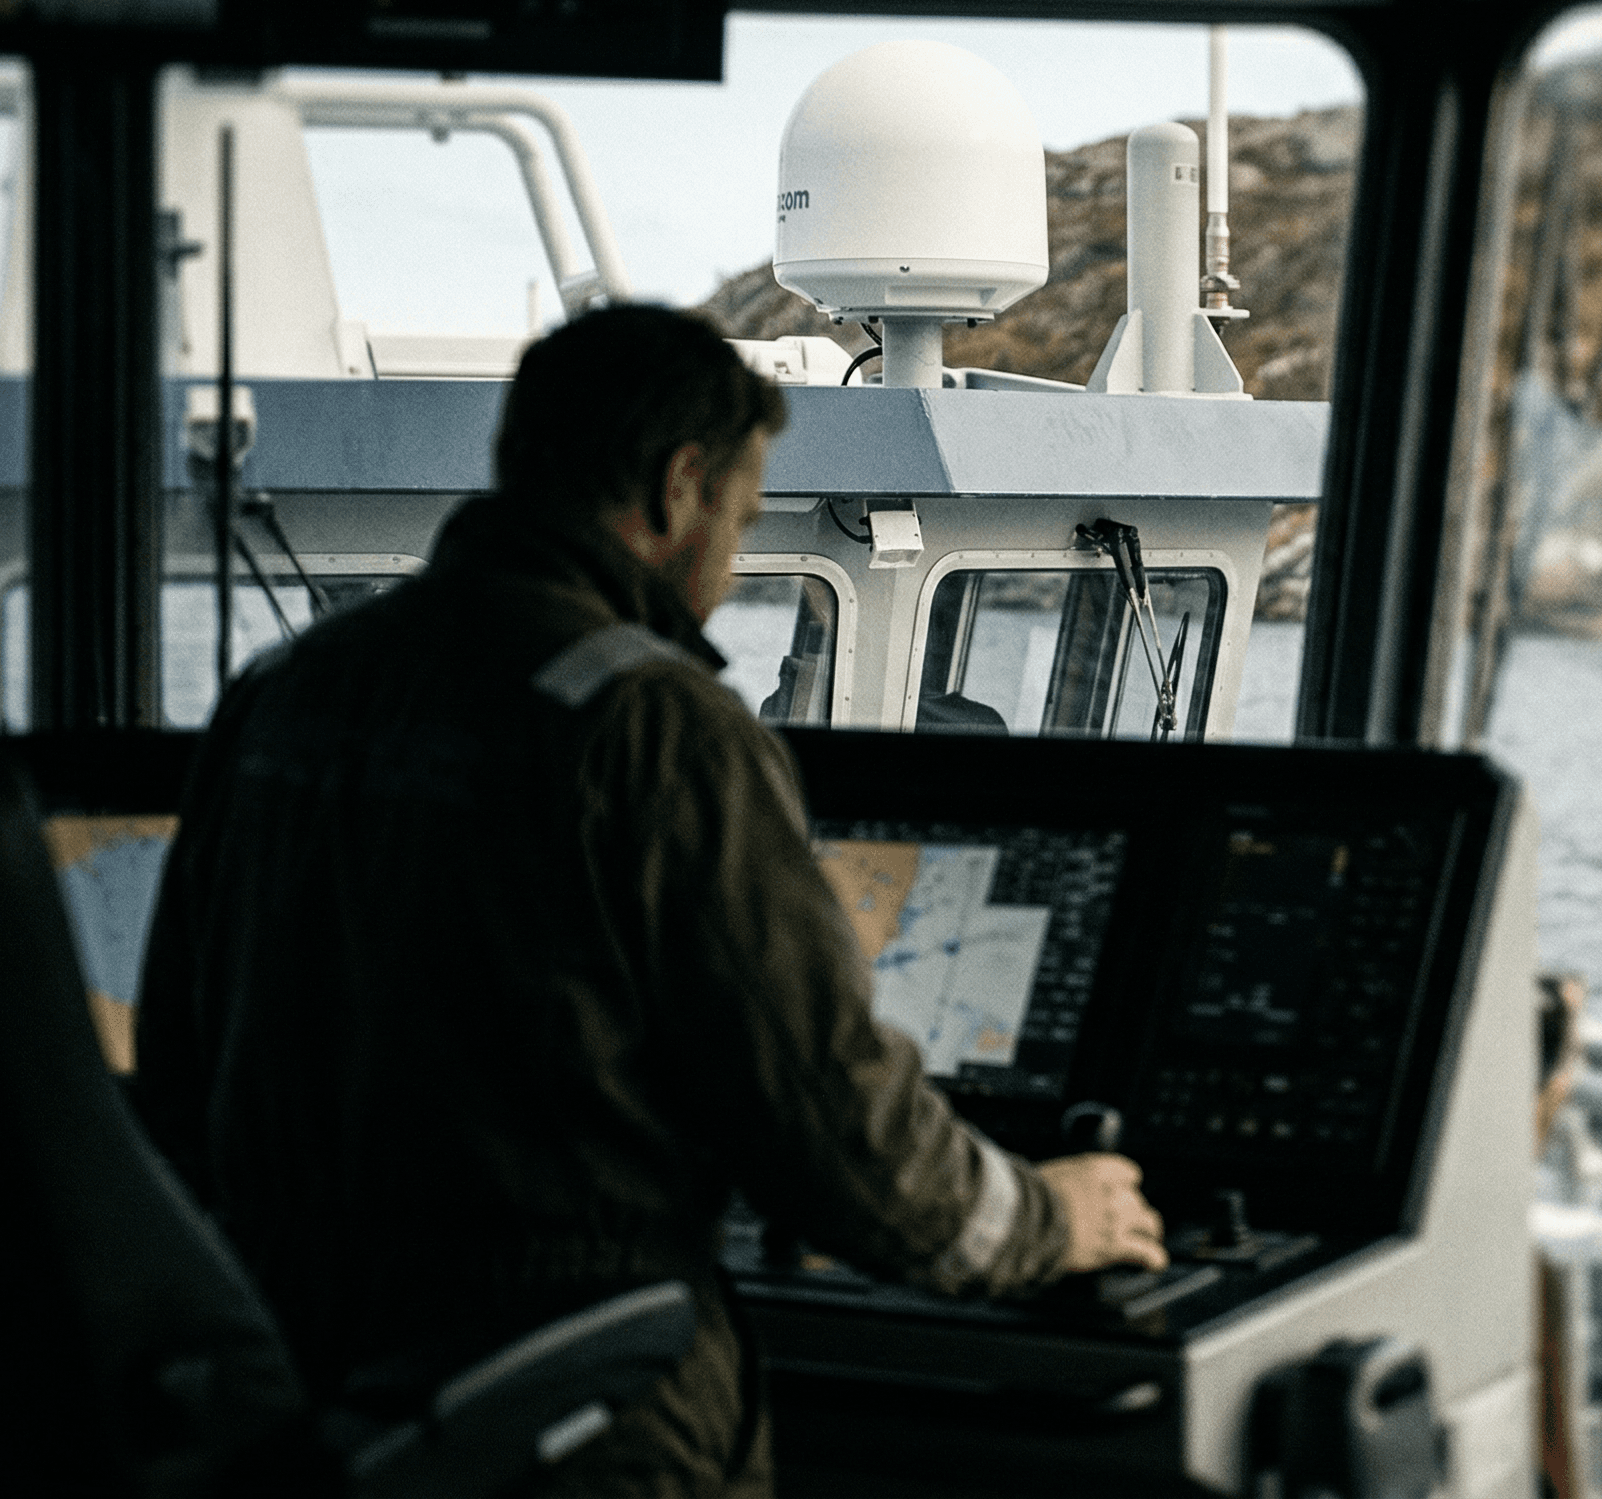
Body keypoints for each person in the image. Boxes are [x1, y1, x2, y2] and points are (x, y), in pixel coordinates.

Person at [135, 305, 1164, 1496]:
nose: (726, 566)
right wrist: (1053, 1220)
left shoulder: (278, 693)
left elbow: (178, 1063)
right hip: (576, 1403)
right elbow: (834, 1133)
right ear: (681, 487)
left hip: (307, 1381)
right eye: (744, 514)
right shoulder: (655, 728)